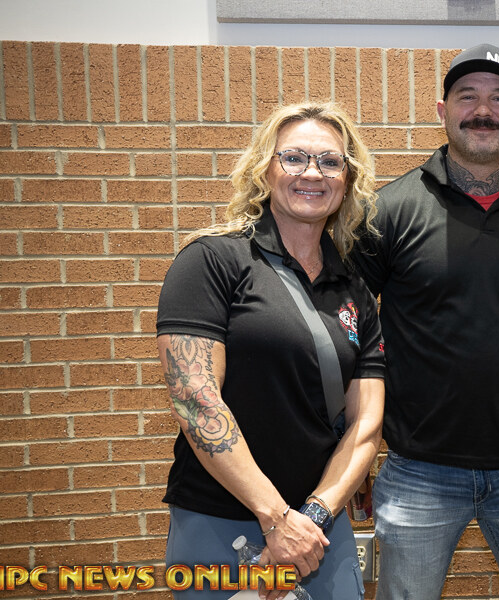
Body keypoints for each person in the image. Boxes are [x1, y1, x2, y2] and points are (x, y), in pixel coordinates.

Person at [350, 44, 499, 600]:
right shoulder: (388, 211)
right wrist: (355, 446)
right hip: (417, 470)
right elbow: (355, 336)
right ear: (442, 110)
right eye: (468, 97)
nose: (483, 111)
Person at [156, 102, 385, 600]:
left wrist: (311, 517)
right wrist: (277, 518)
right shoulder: (212, 261)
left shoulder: (353, 290)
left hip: (319, 530)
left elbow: (366, 426)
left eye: (330, 162)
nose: (312, 173)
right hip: (219, 521)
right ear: (264, 168)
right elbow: (197, 403)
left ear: (347, 179)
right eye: (294, 157)